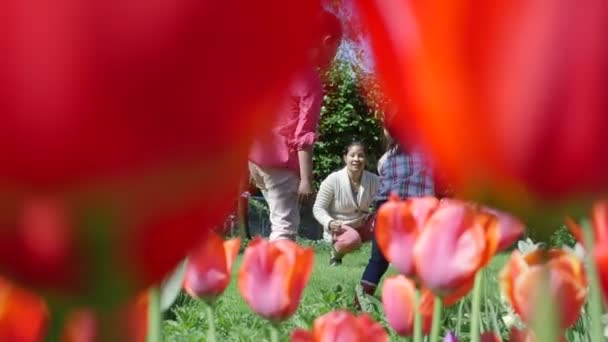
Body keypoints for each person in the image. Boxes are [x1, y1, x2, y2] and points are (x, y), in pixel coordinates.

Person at [248, 10, 342, 241]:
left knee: (277, 222)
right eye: (337, 47)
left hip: (256, 159)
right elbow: (304, 135)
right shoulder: (310, 81)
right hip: (281, 165)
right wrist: (307, 180)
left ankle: (269, 272)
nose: (335, 54)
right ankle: (275, 277)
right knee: (285, 229)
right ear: (327, 41)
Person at [358, 127, 435, 296]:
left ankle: (361, 299)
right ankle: (414, 302)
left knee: (378, 260)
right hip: (417, 211)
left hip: (387, 210)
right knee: (418, 260)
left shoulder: (386, 158)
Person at [313, 142, 380, 265]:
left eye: (360, 156)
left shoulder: (374, 180)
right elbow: (318, 208)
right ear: (345, 158)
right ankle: (336, 255)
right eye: (352, 155)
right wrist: (329, 222)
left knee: (387, 221)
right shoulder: (333, 180)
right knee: (352, 240)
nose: (356, 159)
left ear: (365, 159)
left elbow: (386, 200)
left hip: (362, 224)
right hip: (339, 227)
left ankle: (386, 260)